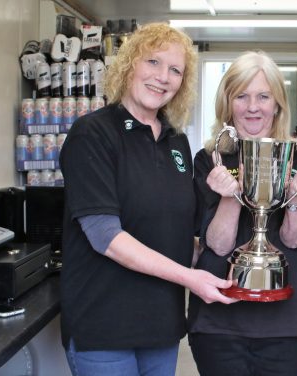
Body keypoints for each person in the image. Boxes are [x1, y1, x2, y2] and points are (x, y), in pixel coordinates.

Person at [59, 23, 236, 376]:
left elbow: (179, 233)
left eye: (175, 70)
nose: (163, 77)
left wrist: (229, 261)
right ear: (129, 64)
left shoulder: (177, 143)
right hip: (104, 327)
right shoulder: (92, 133)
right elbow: (104, 236)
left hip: (161, 325)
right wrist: (190, 278)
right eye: (153, 62)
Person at [187, 50, 297, 376]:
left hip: (285, 323)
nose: (253, 107)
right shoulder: (210, 160)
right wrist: (231, 194)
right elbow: (218, 245)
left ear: (277, 104)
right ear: (227, 103)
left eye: (263, 96)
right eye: (242, 96)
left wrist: (296, 196)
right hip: (218, 321)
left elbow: (296, 239)